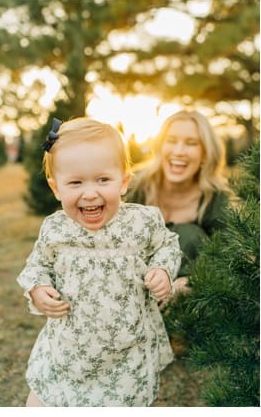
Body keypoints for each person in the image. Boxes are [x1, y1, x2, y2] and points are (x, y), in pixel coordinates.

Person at [18, 118, 180, 406]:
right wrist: (38, 289)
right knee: (40, 401)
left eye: (103, 180)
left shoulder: (141, 222)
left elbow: (167, 245)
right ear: (56, 188)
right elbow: (37, 265)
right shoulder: (56, 229)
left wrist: (162, 269)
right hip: (68, 349)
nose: (90, 193)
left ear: (124, 181)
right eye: (75, 182)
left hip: (127, 352)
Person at [126, 110, 231, 295]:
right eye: (171, 141)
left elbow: (229, 260)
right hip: (130, 288)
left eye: (191, 143)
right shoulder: (134, 184)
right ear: (160, 146)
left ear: (205, 153)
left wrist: (191, 282)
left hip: (185, 300)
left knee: (190, 235)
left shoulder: (215, 198)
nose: (179, 151)